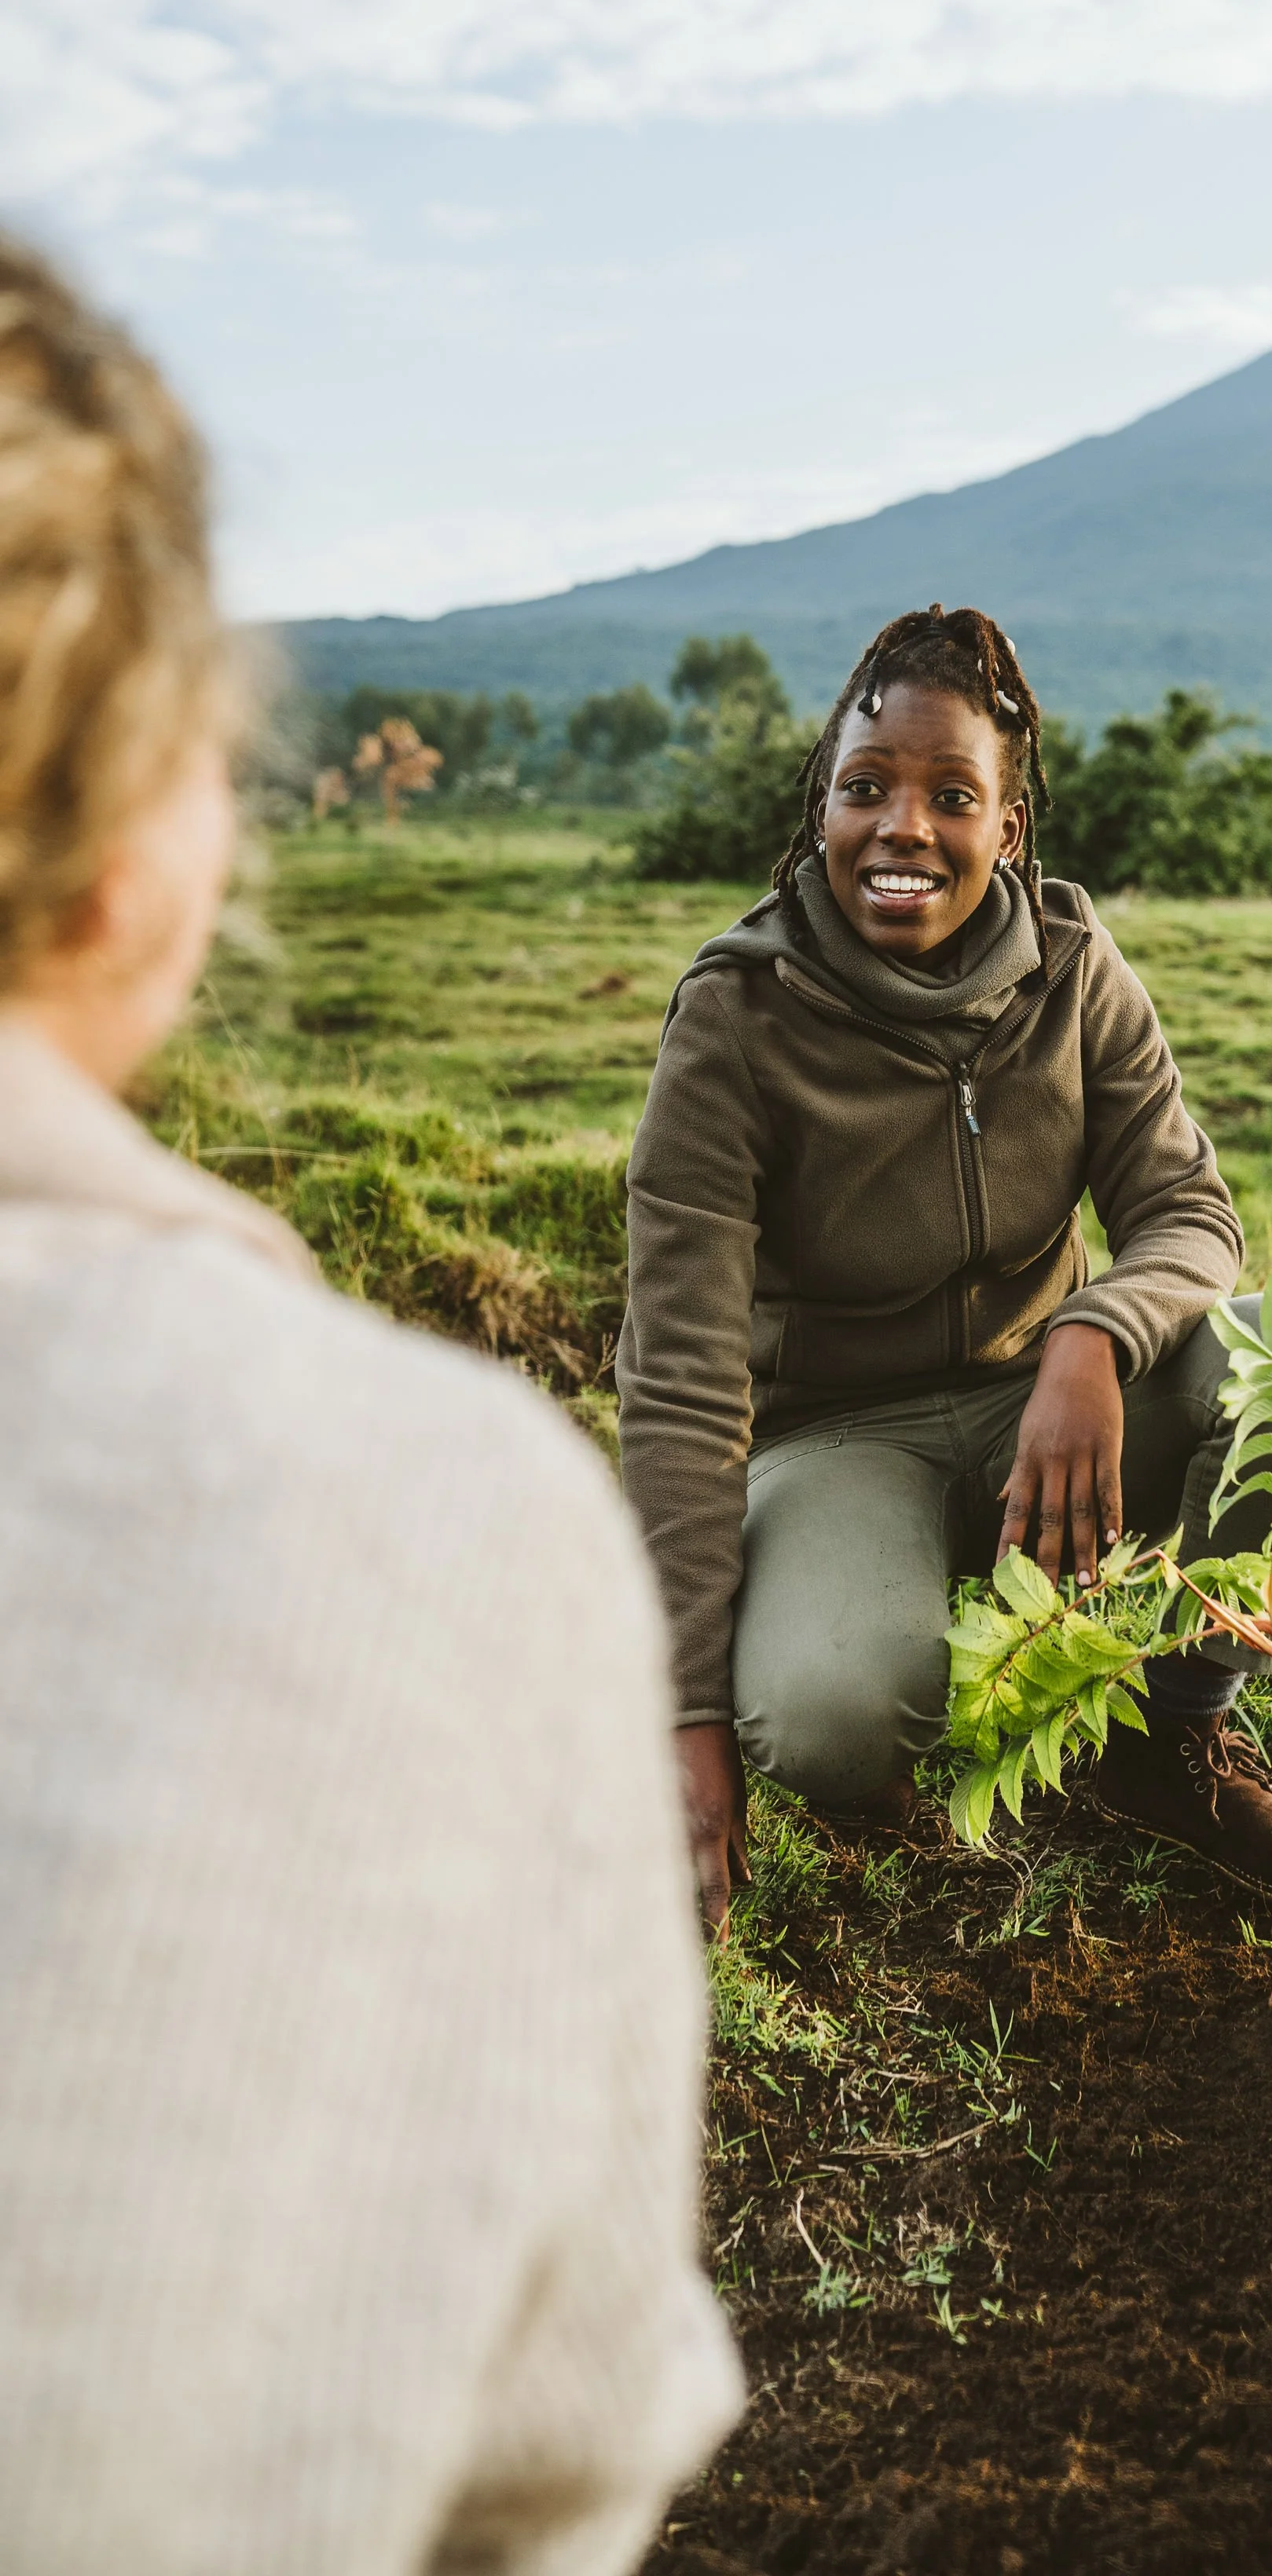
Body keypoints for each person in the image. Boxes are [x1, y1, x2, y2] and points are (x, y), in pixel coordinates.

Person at [0, 239, 740, 2568]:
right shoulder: (431, 1517)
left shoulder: (1081, 988)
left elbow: (1186, 1205)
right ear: (143, 854)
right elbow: (555, 2464)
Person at [614, 603, 1272, 1930]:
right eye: (867, 789)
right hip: (836, 1441)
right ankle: (867, 1653)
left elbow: (1189, 1211)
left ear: (1005, 831)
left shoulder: (1075, 970)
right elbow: (678, 1384)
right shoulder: (734, 1020)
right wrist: (684, 1714)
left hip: (1050, 1408)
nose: (902, 827)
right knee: (837, 1716)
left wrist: (1092, 1336)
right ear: (824, 807)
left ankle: (1169, 1738)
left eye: (950, 796)